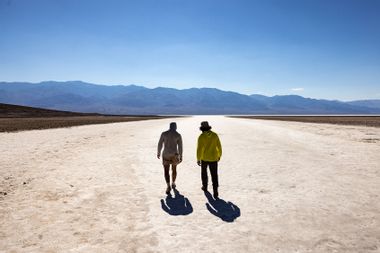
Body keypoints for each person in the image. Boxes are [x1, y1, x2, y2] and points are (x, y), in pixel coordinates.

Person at [197, 121, 222, 199]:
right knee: (214, 175)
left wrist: (198, 158)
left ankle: (205, 187)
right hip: (214, 158)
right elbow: (219, 146)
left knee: (204, 173)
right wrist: (219, 155)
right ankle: (215, 191)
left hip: (204, 158)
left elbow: (199, 149)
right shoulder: (215, 135)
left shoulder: (201, 137)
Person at [157, 122, 183, 194]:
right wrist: (181, 156)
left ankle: (168, 186)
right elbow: (180, 147)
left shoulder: (164, 133)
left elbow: (160, 144)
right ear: (175, 127)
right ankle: (173, 183)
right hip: (174, 154)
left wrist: (158, 152)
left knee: (166, 171)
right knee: (174, 169)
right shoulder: (178, 135)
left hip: (166, 154)